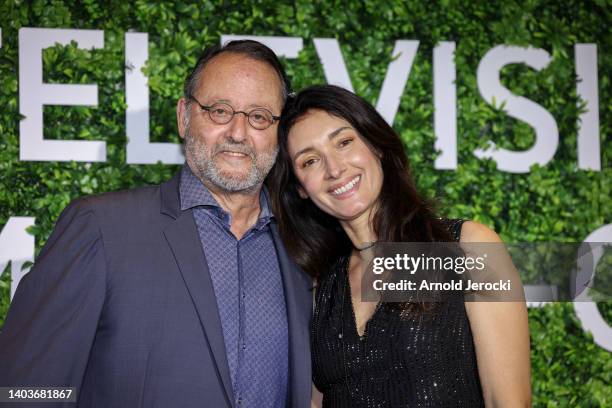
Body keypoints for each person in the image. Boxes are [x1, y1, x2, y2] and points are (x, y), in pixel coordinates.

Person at [0, 40, 312, 408]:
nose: (238, 133)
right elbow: (24, 391)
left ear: (279, 132)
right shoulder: (100, 227)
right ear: (184, 116)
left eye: (259, 116)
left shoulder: (303, 247)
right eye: (220, 111)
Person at [268, 85, 531, 407]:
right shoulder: (319, 286)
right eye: (310, 161)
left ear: (376, 145)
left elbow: (507, 402)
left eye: (344, 142)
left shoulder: (469, 247)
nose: (334, 169)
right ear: (300, 189)